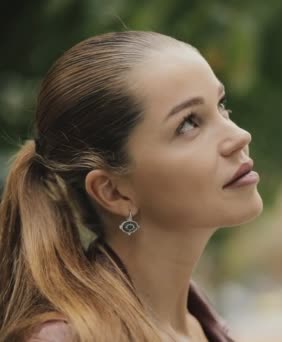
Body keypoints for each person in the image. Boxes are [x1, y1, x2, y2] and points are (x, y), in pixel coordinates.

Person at [0, 31, 263, 341]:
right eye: (189, 123)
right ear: (113, 192)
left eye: (221, 106)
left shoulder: (204, 329)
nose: (239, 136)